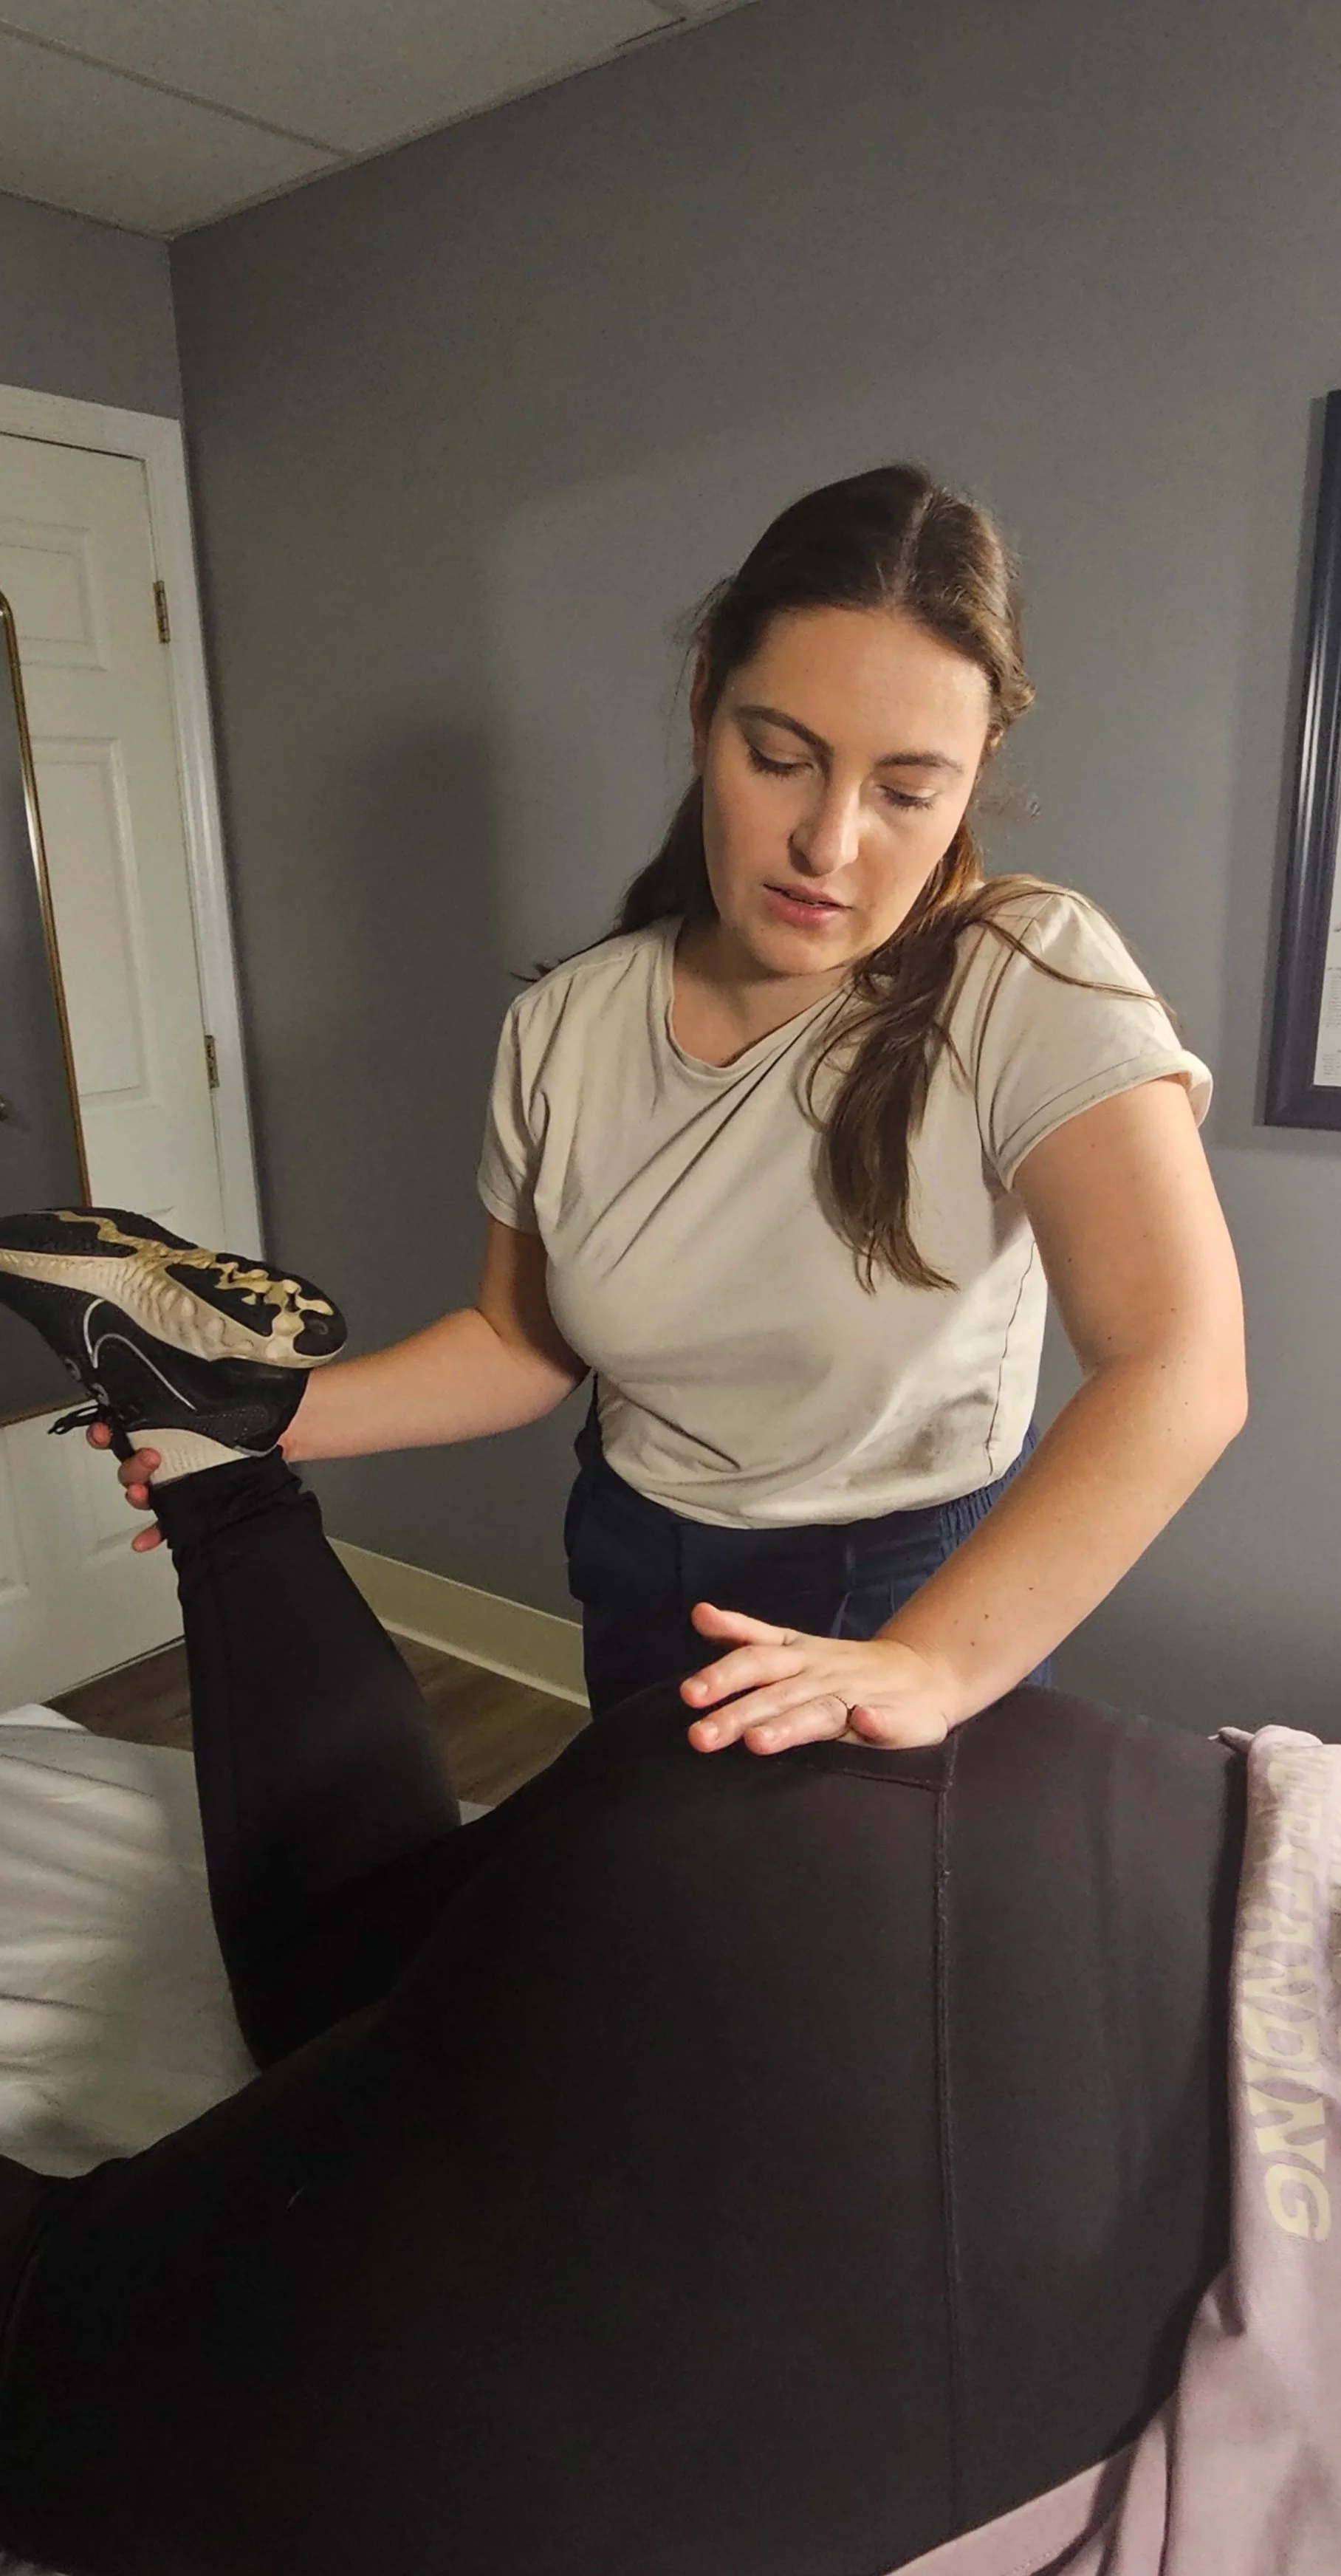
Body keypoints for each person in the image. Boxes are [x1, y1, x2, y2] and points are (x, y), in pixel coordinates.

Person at [0, 1210, 1246, 2576]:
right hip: (912, 2122)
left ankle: (215, 1461)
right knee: (46, 2344)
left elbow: (527, 1345)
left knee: (352, 1978)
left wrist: (277, 1411)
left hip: (929, 1775)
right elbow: (1182, 1358)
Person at [97, 462, 1246, 1751]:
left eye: (906, 792)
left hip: (901, 1592)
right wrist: (270, 1417)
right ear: (706, 703)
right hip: (640, 1563)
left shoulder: (1026, 978)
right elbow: (523, 1344)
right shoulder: (566, 1024)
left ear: (976, 774)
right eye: (780, 759)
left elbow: (1176, 1367)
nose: (829, 842)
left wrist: (924, 1663)